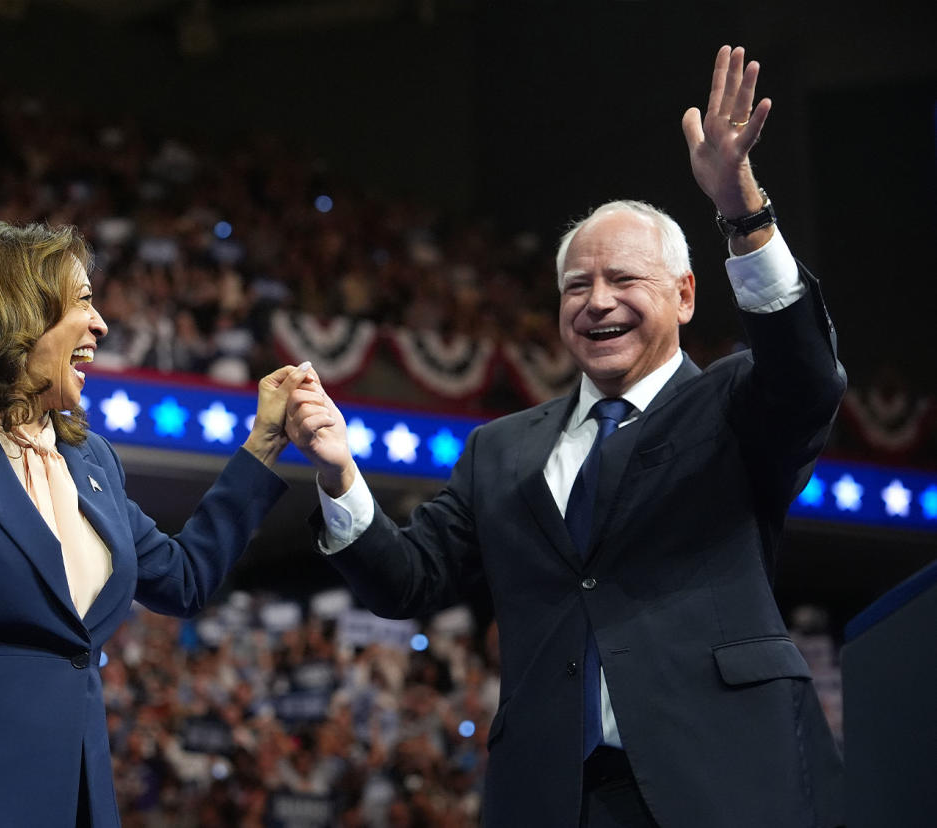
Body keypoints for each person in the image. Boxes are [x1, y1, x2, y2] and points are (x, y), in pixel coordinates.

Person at [285, 46, 845, 827]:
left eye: (623, 281)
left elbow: (809, 378)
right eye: (577, 285)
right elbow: (405, 582)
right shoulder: (500, 450)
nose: (597, 301)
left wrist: (742, 211)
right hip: (551, 796)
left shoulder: (734, 405)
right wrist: (340, 476)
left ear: (684, 295)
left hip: (723, 779)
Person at [0, 221, 308, 827]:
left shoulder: (91, 460)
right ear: (13, 307)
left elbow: (184, 578)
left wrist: (265, 443)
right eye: (85, 302)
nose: (101, 326)